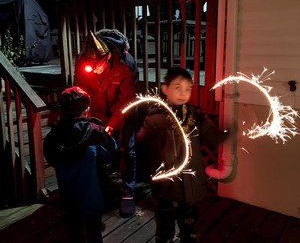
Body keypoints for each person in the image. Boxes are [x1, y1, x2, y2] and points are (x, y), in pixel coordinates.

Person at [135, 67, 230, 243]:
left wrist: (228, 133)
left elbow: (211, 136)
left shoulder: (194, 115)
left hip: (190, 187)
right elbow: (142, 142)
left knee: (190, 226)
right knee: (165, 225)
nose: (183, 93)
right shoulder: (156, 118)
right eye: (177, 87)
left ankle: (189, 237)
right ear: (165, 89)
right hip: (166, 187)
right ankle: (165, 238)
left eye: (188, 88)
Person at [74, 29, 139, 217]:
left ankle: (128, 189)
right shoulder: (82, 62)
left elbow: (127, 100)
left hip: (123, 112)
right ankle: (102, 186)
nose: (94, 68)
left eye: (99, 64)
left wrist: (112, 124)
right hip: (97, 112)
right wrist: (86, 118)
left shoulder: (125, 65)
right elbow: (81, 92)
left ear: (108, 56)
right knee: (95, 147)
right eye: (90, 65)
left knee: (127, 147)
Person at [43, 86, 118, 243]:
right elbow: (110, 155)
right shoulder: (96, 132)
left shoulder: (53, 136)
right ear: (87, 109)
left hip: (69, 195)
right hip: (94, 194)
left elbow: (50, 156)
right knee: (94, 232)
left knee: (74, 230)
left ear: (62, 110)